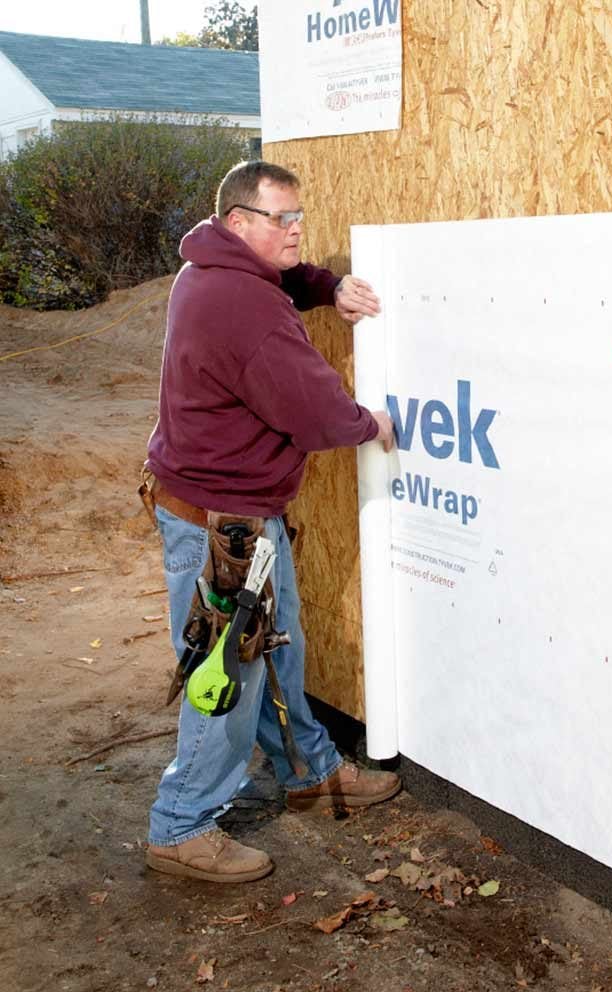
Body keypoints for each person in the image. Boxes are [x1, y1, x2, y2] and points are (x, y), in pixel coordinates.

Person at [143, 160, 399, 883]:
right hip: (225, 526)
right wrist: (369, 421)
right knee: (226, 677)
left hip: (225, 511)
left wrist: (327, 286)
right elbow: (316, 414)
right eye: (282, 221)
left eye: (299, 219)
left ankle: (308, 771)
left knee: (274, 655)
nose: (296, 234)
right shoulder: (242, 305)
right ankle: (181, 825)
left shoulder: (216, 269)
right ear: (238, 223)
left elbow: (287, 278)